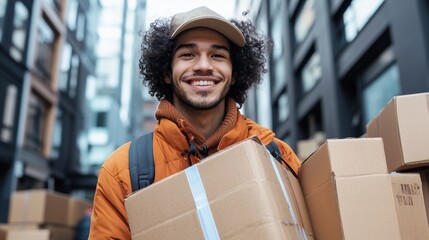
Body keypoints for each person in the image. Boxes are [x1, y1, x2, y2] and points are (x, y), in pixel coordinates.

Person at [89, 6, 301, 239]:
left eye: (217, 55)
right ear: (167, 72)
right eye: (188, 54)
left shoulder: (277, 156)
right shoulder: (121, 171)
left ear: (235, 74)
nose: (203, 66)